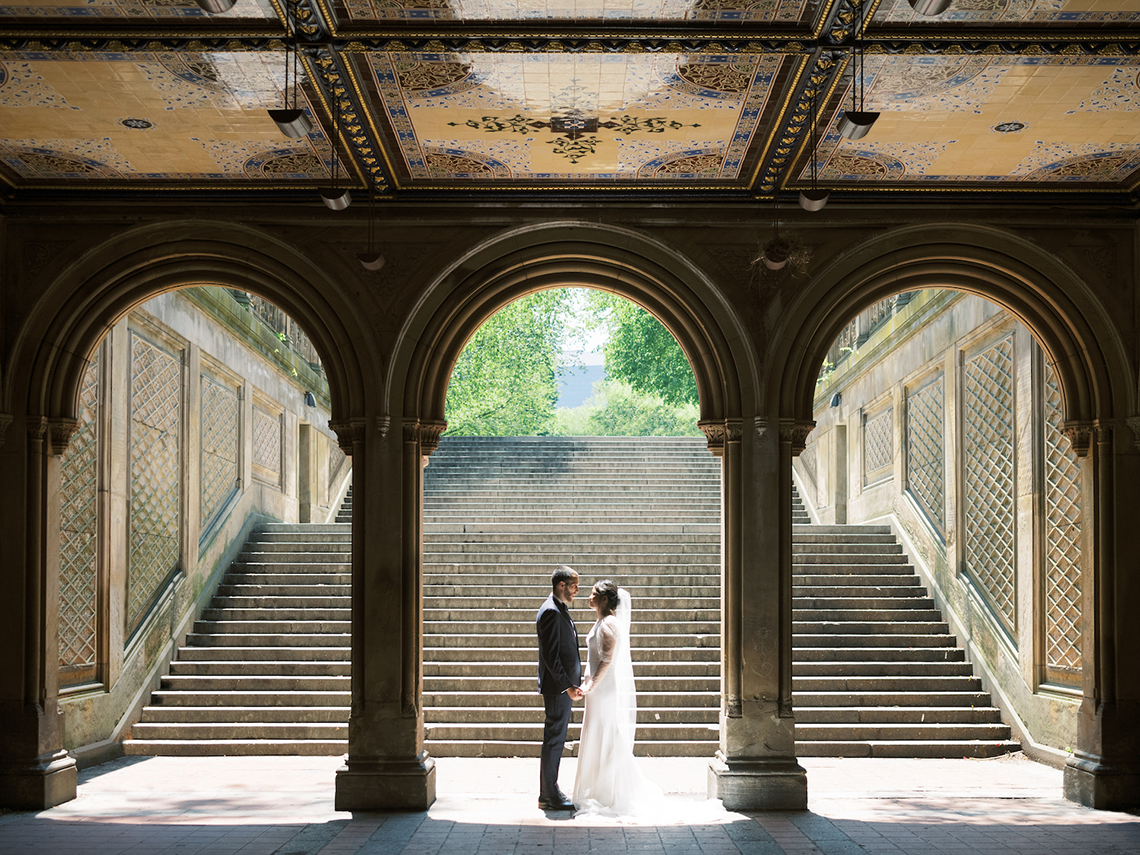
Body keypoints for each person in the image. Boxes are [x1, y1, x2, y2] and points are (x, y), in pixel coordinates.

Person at [572, 579, 664, 817]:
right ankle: (598, 788)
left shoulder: (609, 623)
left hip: (603, 690)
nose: (589, 597)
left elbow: (607, 659)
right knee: (598, 732)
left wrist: (590, 685)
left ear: (604, 599)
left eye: (593, 594)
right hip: (597, 689)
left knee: (605, 732)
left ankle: (609, 790)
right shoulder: (602, 621)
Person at [535, 565, 583, 811]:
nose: (577, 590)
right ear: (561, 585)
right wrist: (567, 687)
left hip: (561, 687)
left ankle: (550, 790)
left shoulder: (558, 609)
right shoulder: (551, 612)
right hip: (557, 689)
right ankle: (548, 794)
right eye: (574, 585)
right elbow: (551, 657)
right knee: (554, 739)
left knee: (555, 738)